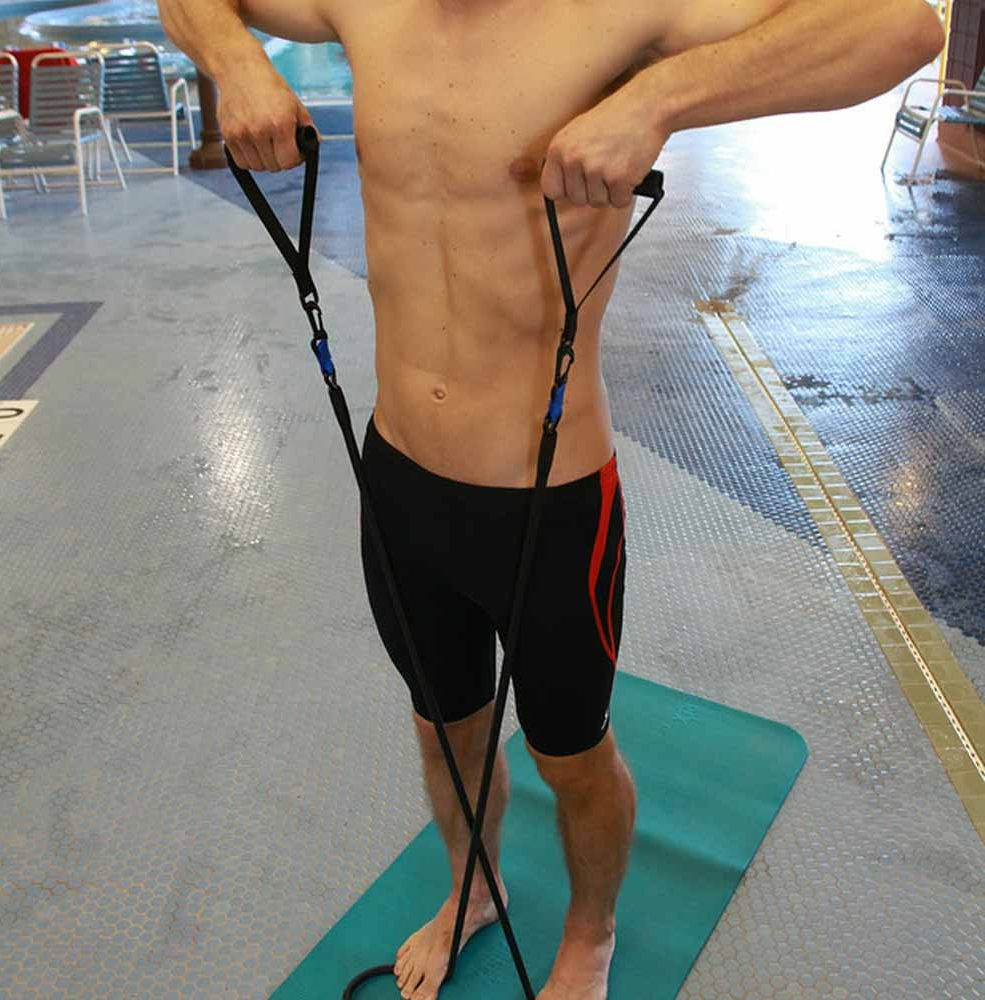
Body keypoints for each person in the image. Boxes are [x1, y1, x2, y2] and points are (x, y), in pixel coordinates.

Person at [159, 2, 943, 997]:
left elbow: (899, 29)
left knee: (569, 755)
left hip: (550, 498)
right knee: (445, 728)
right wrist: (235, 60)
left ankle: (590, 931)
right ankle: (472, 889)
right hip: (398, 481)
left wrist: (657, 98)